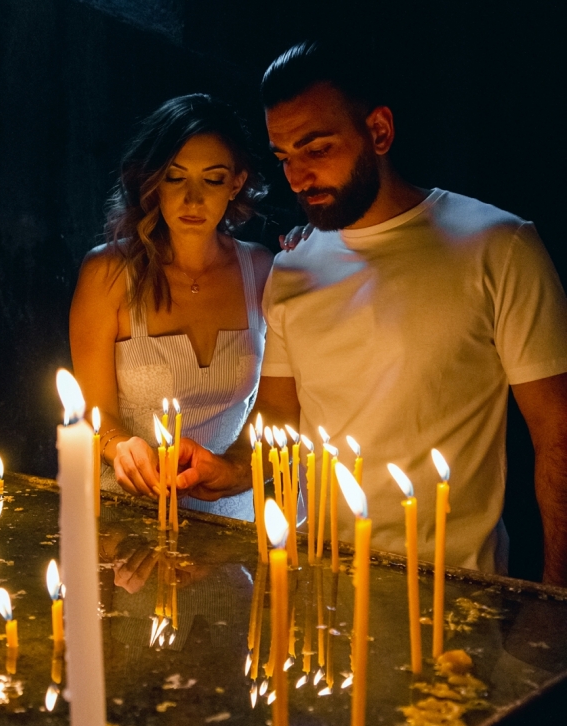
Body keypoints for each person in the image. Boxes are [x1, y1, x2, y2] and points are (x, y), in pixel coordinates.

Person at [175, 42, 567, 583]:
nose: (296, 176)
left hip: (456, 600)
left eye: (315, 148)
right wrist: (230, 467)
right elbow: (278, 419)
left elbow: (558, 435)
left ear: (379, 131)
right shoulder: (293, 271)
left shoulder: (498, 247)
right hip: (321, 596)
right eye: (284, 155)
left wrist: (554, 605)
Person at [69, 93, 272, 520]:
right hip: (126, 513)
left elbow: (278, 408)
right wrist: (118, 447)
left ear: (237, 182)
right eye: (176, 178)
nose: (193, 200)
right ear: (152, 180)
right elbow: (94, 412)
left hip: (229, 517)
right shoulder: (107, 273)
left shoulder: (263, 270)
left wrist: (236, 468)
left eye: (212, 180)